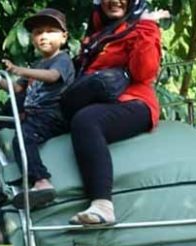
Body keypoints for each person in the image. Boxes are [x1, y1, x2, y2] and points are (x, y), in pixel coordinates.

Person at [64, 0, 170, 225]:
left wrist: (147, 28)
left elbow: (144, 73)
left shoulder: (139, 27)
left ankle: (103, 205)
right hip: (100, 102)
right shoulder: (99, 35)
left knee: (86, 121)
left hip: (134, 103)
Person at [0, 8, 75, 209]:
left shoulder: (62, 60)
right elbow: (17, 89)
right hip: (33, 114)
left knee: (24, 137)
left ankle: (41, 181)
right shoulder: (38, 63)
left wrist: (18, 69)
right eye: (38, 32)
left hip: (52, 115)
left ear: (64, 37)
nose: (43, 36)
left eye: (50, 31)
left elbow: (53, 77)